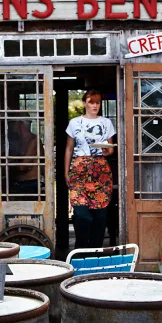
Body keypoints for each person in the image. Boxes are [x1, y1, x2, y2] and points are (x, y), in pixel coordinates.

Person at [64, 90, 115, 248]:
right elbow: (68, 148)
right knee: (82, 214)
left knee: (100, 215)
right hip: (80, 170)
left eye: (97, 102)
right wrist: (66, 172)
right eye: (91, 102)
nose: (95, 105)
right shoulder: (74, 123)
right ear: (85, 103)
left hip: (100, 171)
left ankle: (96, 250)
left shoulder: (106, 122)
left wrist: (108, 150)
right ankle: (80, 248)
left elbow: (110, 148)